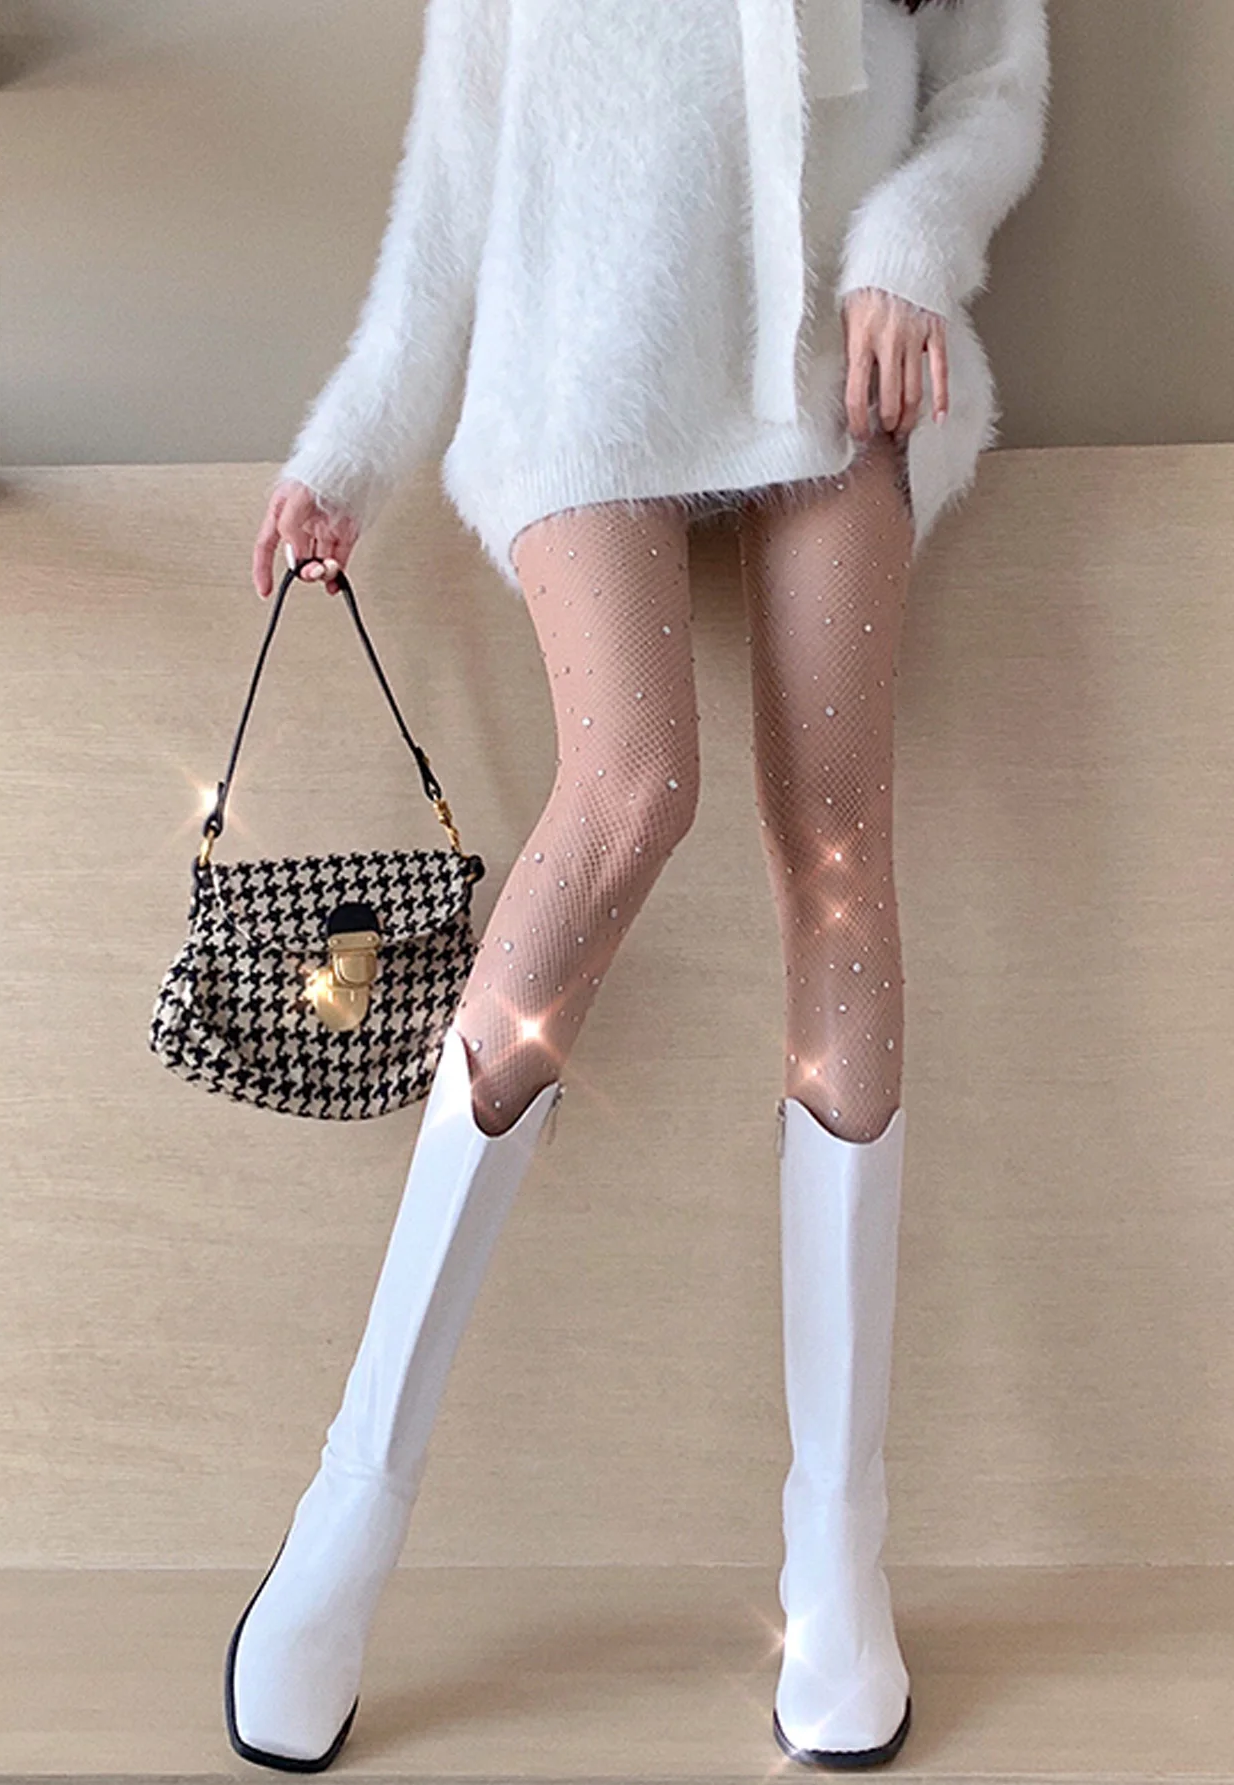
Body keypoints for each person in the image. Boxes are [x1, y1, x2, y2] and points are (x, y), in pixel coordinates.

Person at [227, 0, 1051, 1771]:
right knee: (629, 794)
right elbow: (453, 188)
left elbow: (996, 76)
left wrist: (910, 247)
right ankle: (352, 1503)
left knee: (839, 845)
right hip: (581, 358)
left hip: (833, 354)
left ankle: (836, 1549)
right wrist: (347, 448)